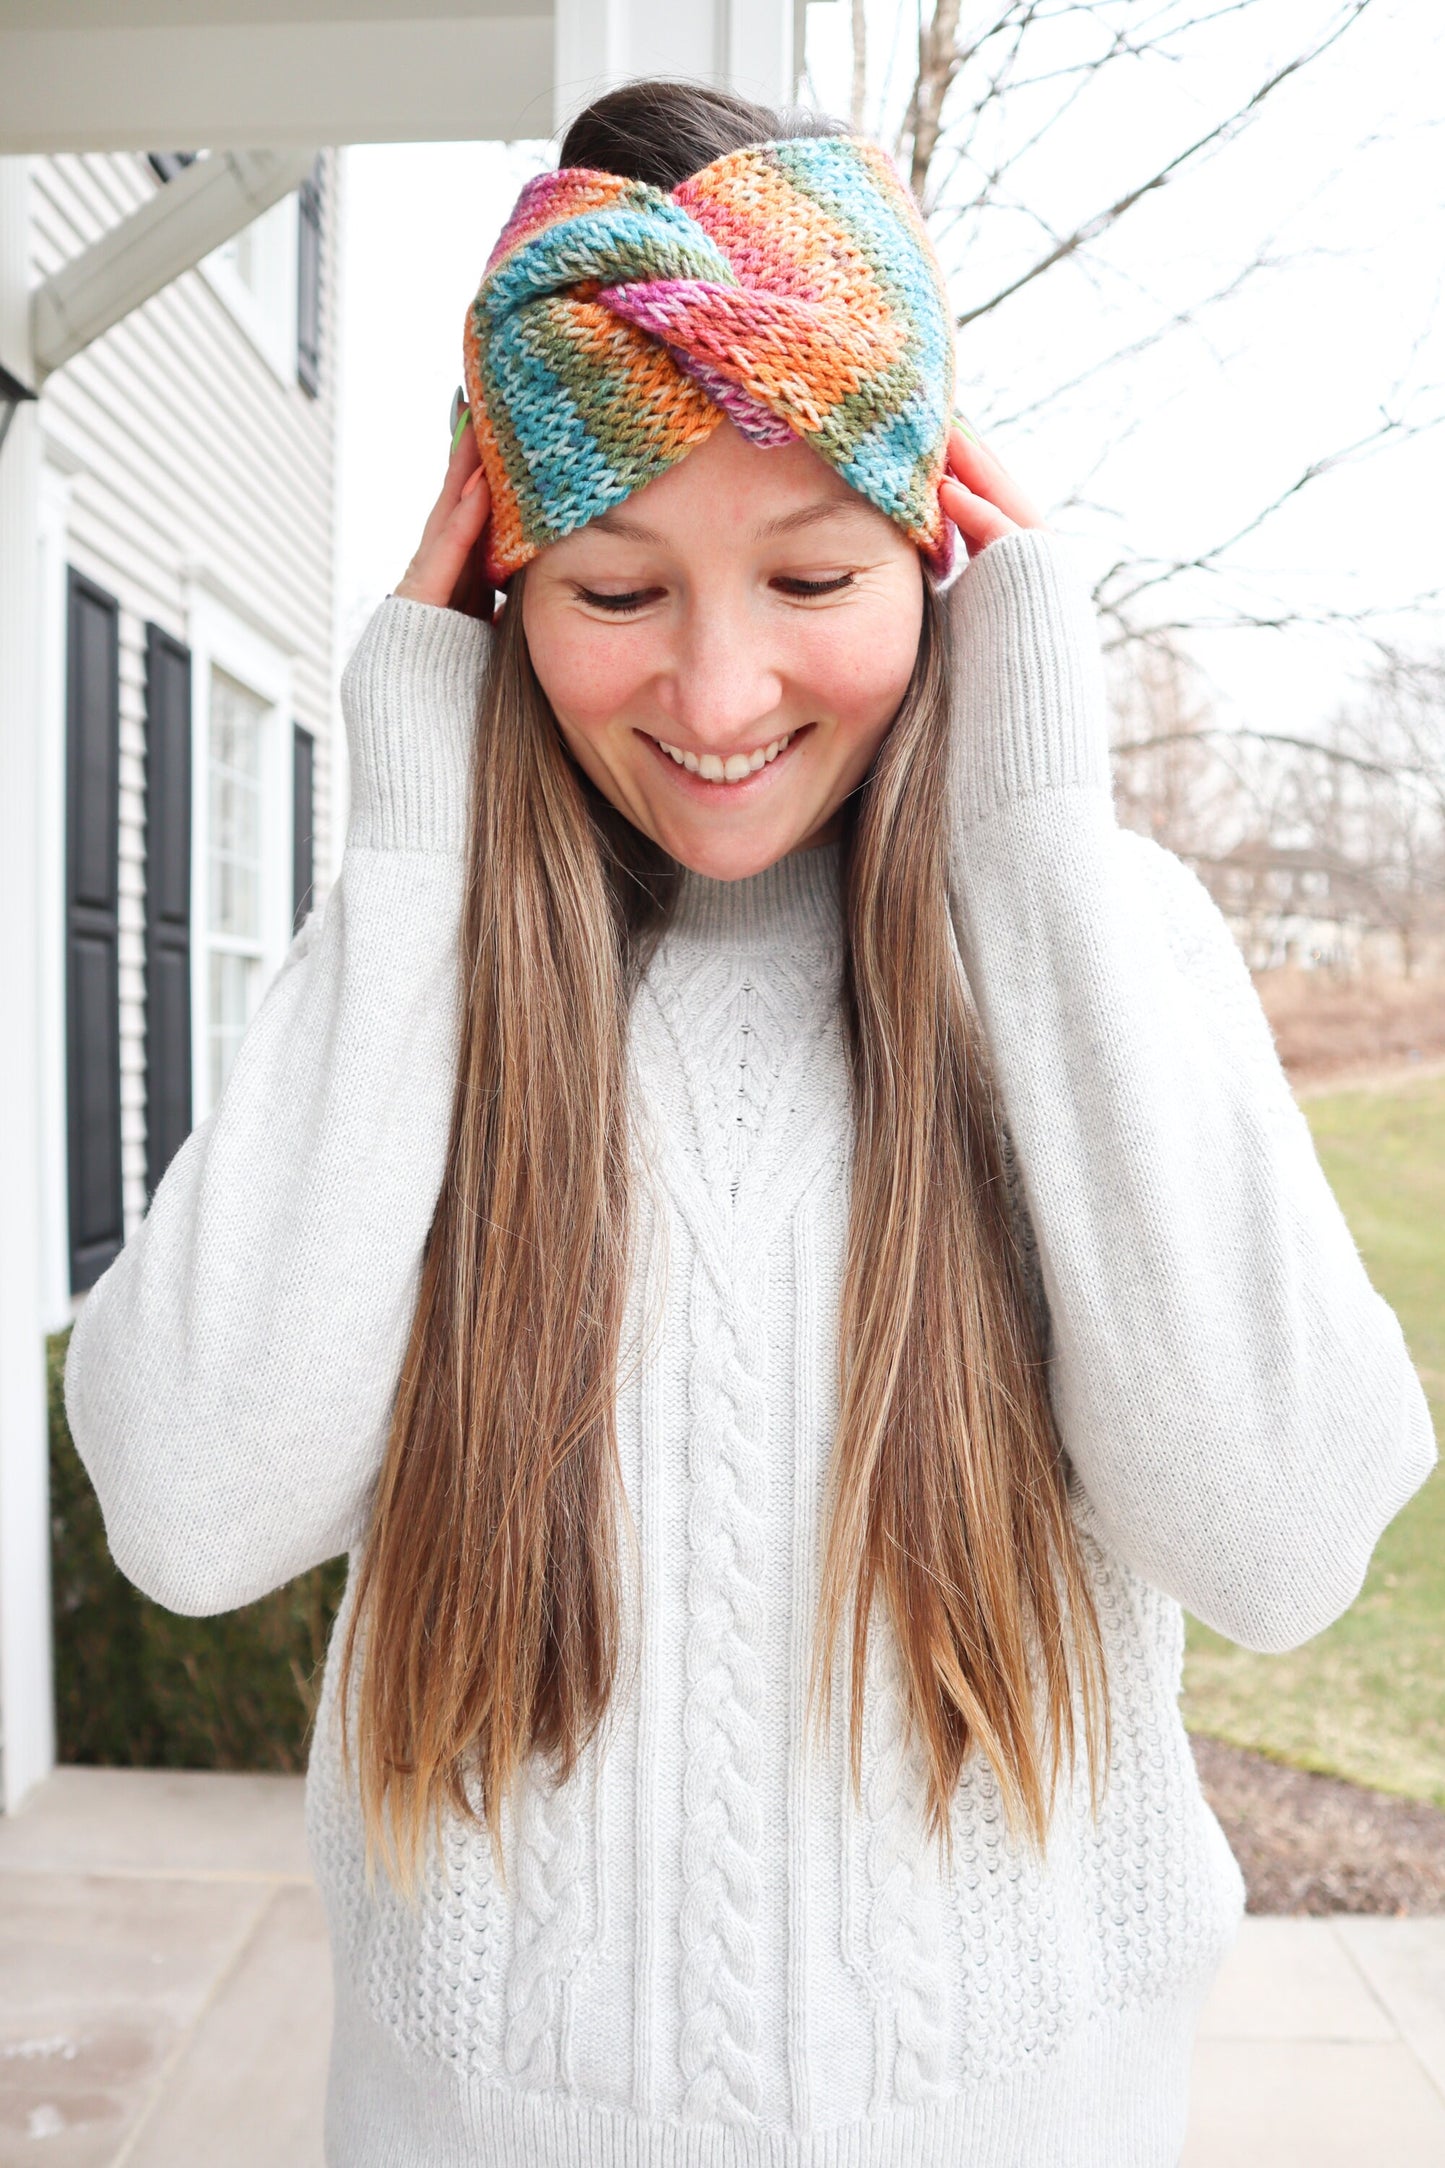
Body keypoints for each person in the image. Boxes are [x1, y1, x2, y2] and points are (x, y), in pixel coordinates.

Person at [64, 77, 1436, 2168]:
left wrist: (1042, 839)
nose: (718, 699)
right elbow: (189, 1504)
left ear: (941, 543)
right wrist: (415, 845)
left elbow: (1275, 1544)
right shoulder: (416, 982)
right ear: (494, 595)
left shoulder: (1098, 950)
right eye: (616, 592)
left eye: (812, 572)